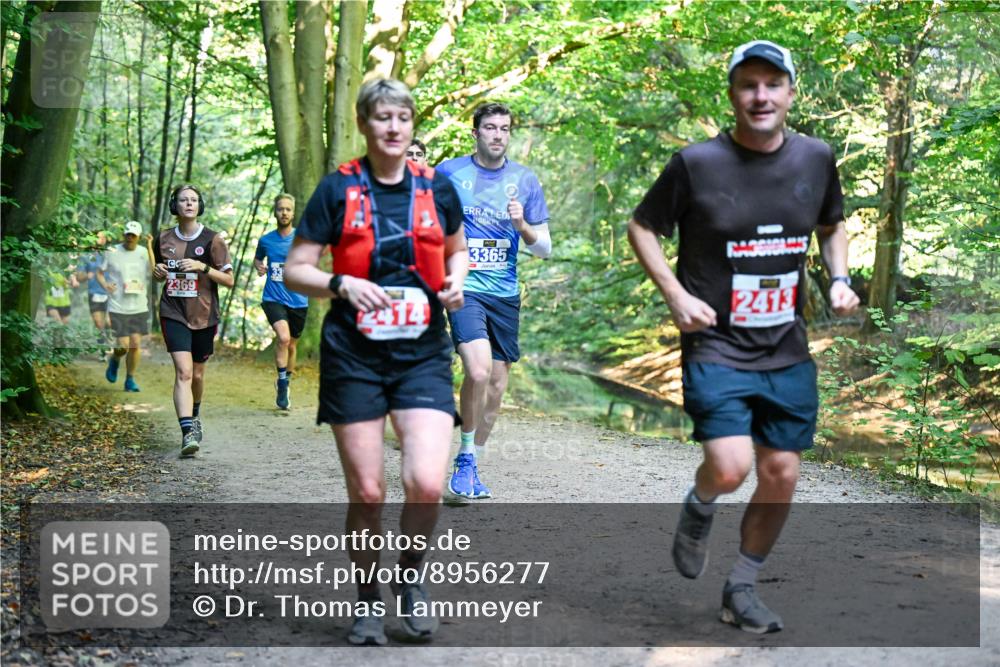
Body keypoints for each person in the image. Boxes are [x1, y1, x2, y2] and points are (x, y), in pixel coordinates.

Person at [627, 40, 860, 634]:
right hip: (718, 345)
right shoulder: (696, 164)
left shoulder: (816, 157)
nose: (761, 96)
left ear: (790, 92)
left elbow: (833, 224)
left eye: (772, 84)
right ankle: (700, 503)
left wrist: (839, 279)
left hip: (786, 346)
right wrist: (676, 296)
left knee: (782, 471)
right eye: (748, 85)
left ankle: (742, 586)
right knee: (730, 467)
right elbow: (642, 226)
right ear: (732, 94)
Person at [284, 77, 467, 646]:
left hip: (422, 355)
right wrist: (341, 283)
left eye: (402, 118)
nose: (393, 128)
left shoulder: (438, 188)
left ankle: (411, 582)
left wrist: (457, 281)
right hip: (354, 356)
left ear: (412, 125)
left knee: (426, 483)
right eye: (382, 118)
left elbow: (457, 251)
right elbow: (297, 269)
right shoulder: (337, 190)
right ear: (363, 124)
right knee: (367, 493)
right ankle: (367, 602)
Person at [437, 102, 552, 500]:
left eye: (504, 128)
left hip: (505, 294)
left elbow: (545, 249)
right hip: (466, 289)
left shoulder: (525, 180)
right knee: (479, 370)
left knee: (498, 385)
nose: (498, 135)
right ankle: (464, 461)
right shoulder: (450, 173)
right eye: (490, 127)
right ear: (476, 133)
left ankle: (471, 463)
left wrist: (522, 226)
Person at [152, 185, 234, 457]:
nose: (189, 204)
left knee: (197, 374)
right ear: (175, 205)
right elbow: (157, 272)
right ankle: (187, 432)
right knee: (183, 372)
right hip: (172, 310)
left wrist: (203, 267)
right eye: (184, 200)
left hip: (204, 314)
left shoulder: (214, 240)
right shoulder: (162, 238)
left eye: (194, 200)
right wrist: (158, 272)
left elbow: (229, 280)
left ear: (200, 205)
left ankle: (195, 414)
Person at [253, 193, 309, 410]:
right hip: (273, 297)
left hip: (299, 299)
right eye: (280, 209)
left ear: (293, 213)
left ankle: (286, 381)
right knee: (284, 339)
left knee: (292, 346)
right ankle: (282, 383)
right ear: (275, 212)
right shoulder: (266, 240)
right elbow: (258, 258)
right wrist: (259, 266)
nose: (284, 212)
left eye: (288, 209)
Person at [97, 221, 151, 392]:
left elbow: (154, 270)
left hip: (139, 305)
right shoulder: (112, 251)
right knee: (123, 346)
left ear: (139, 237)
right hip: (117, 305)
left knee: (135, 344)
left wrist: (150, 246)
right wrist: (105, 285)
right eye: (128, 234)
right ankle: (115, 359)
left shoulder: (144, 252)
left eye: (133, 235)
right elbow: (99, 272)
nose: (130, 238)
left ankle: (130, 380)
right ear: (124, 235)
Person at [76, 231, 110, 352]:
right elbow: (79, 277)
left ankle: (108, 341)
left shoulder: (110, 254)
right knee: (98, 323)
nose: (100, 239)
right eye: (97, 237)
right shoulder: (86, 256)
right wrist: (86, 276)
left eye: (102, 237)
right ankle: (103, 349)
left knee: (109, 322)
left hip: (110, 294)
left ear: (105, 239)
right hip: (94, 293)